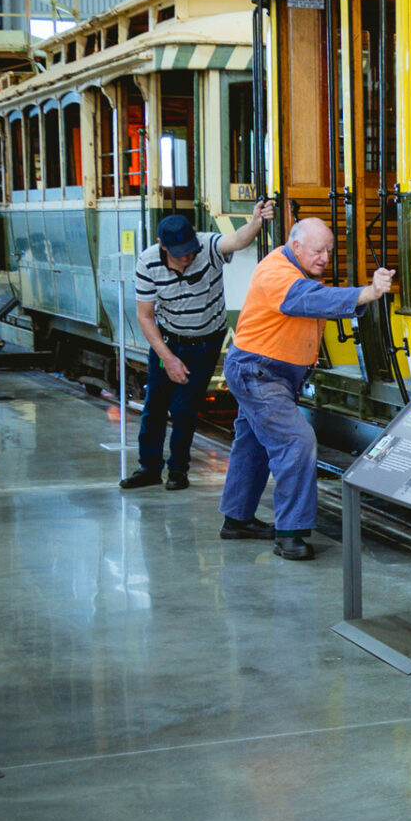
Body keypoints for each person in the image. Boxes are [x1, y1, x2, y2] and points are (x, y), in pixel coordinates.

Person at [219, 218, 394, 560]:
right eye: (318, 251)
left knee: (252, 444)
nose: (325, 258)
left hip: (266, 373)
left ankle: (236, 520)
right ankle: (290, 534)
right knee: (296, 442)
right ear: (296, 246)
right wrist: (368, 293)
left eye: (330, 250)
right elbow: (306, 299)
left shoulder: (298, 268)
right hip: (258, 373)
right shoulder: (278, 273)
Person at [120, 203, 274, 491]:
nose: (187, 258)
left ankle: (178, 470)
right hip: (167, 344)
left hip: (205, 343)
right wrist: (169, 360)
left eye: (190, 251)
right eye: (179, 256)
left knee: (184, 408)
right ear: (161, 246)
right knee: (155, 405)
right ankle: (149, 467)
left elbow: (238, 240)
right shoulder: (147, 262)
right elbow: (145, 316)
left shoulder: (207, 246)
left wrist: (255, 221)